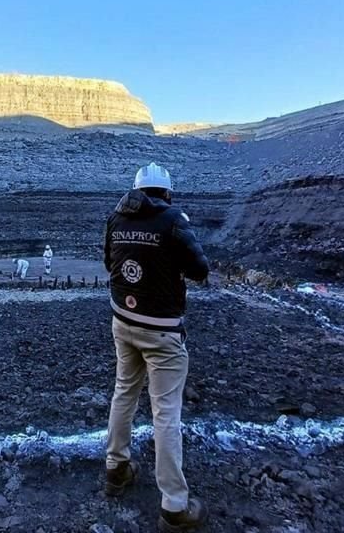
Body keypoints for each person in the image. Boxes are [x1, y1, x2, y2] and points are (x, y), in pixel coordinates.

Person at [103, 162, 210, 532]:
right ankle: (175, 506)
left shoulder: (115, 217)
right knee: (165, 412)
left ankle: (116, 469)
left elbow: (109, 264)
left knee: (124, 392)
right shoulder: (174, 220)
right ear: (165, 192)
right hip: (161, 330)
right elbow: (199, 268)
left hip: (123, 320)